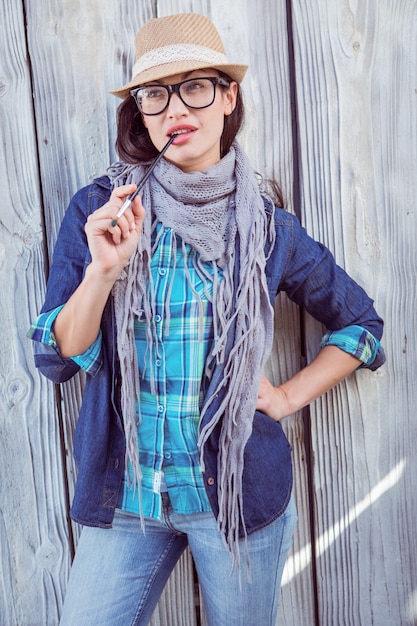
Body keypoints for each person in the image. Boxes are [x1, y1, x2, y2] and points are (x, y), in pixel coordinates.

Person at [28, 12, 385, 626]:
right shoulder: (101, 208)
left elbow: (363, 327)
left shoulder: (267, 228)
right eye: (155, 94)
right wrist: (104, 271)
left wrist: (285, 395)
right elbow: (57, 356)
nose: (175, 109)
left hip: (238, 499)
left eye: (195, 86)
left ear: (228, 96)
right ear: (141, 112)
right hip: (129, 496)